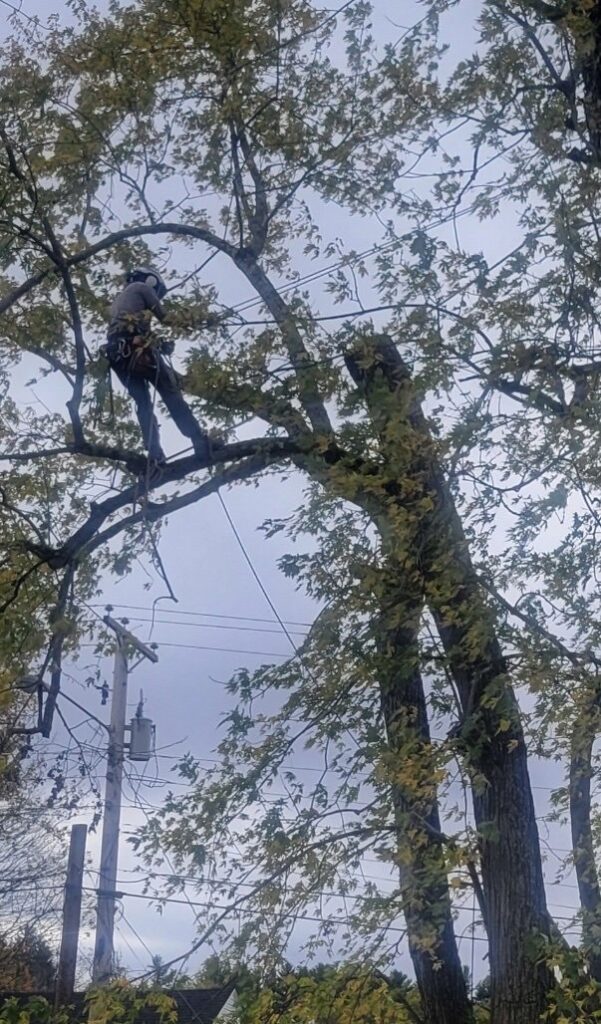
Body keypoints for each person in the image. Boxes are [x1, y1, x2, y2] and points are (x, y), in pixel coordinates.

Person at [105, 266, 215, 472]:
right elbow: (165, 318)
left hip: (118, 356)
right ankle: (197, 439)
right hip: (136, 349)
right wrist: (199, 321)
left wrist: (160, 344)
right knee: (170, 392)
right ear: (151, 282)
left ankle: (155, 455)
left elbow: (132, 330)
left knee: (143, 404)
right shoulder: (141, 287)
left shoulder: (118, 303)